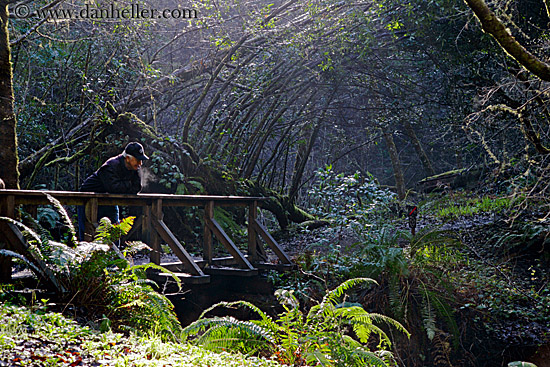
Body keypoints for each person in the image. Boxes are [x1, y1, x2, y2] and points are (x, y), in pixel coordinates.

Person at [77, 142, 149, 241]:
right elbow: (114, 188)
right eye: (138, 160)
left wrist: (123, 185)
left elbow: (136, 188)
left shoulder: (135, 168)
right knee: (88, 235)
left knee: (115, 233)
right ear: (127, 158)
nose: (140, 163)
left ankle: (115, 256)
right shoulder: (110, 166)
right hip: (88, 199)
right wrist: (128, 184)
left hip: (110, 201)